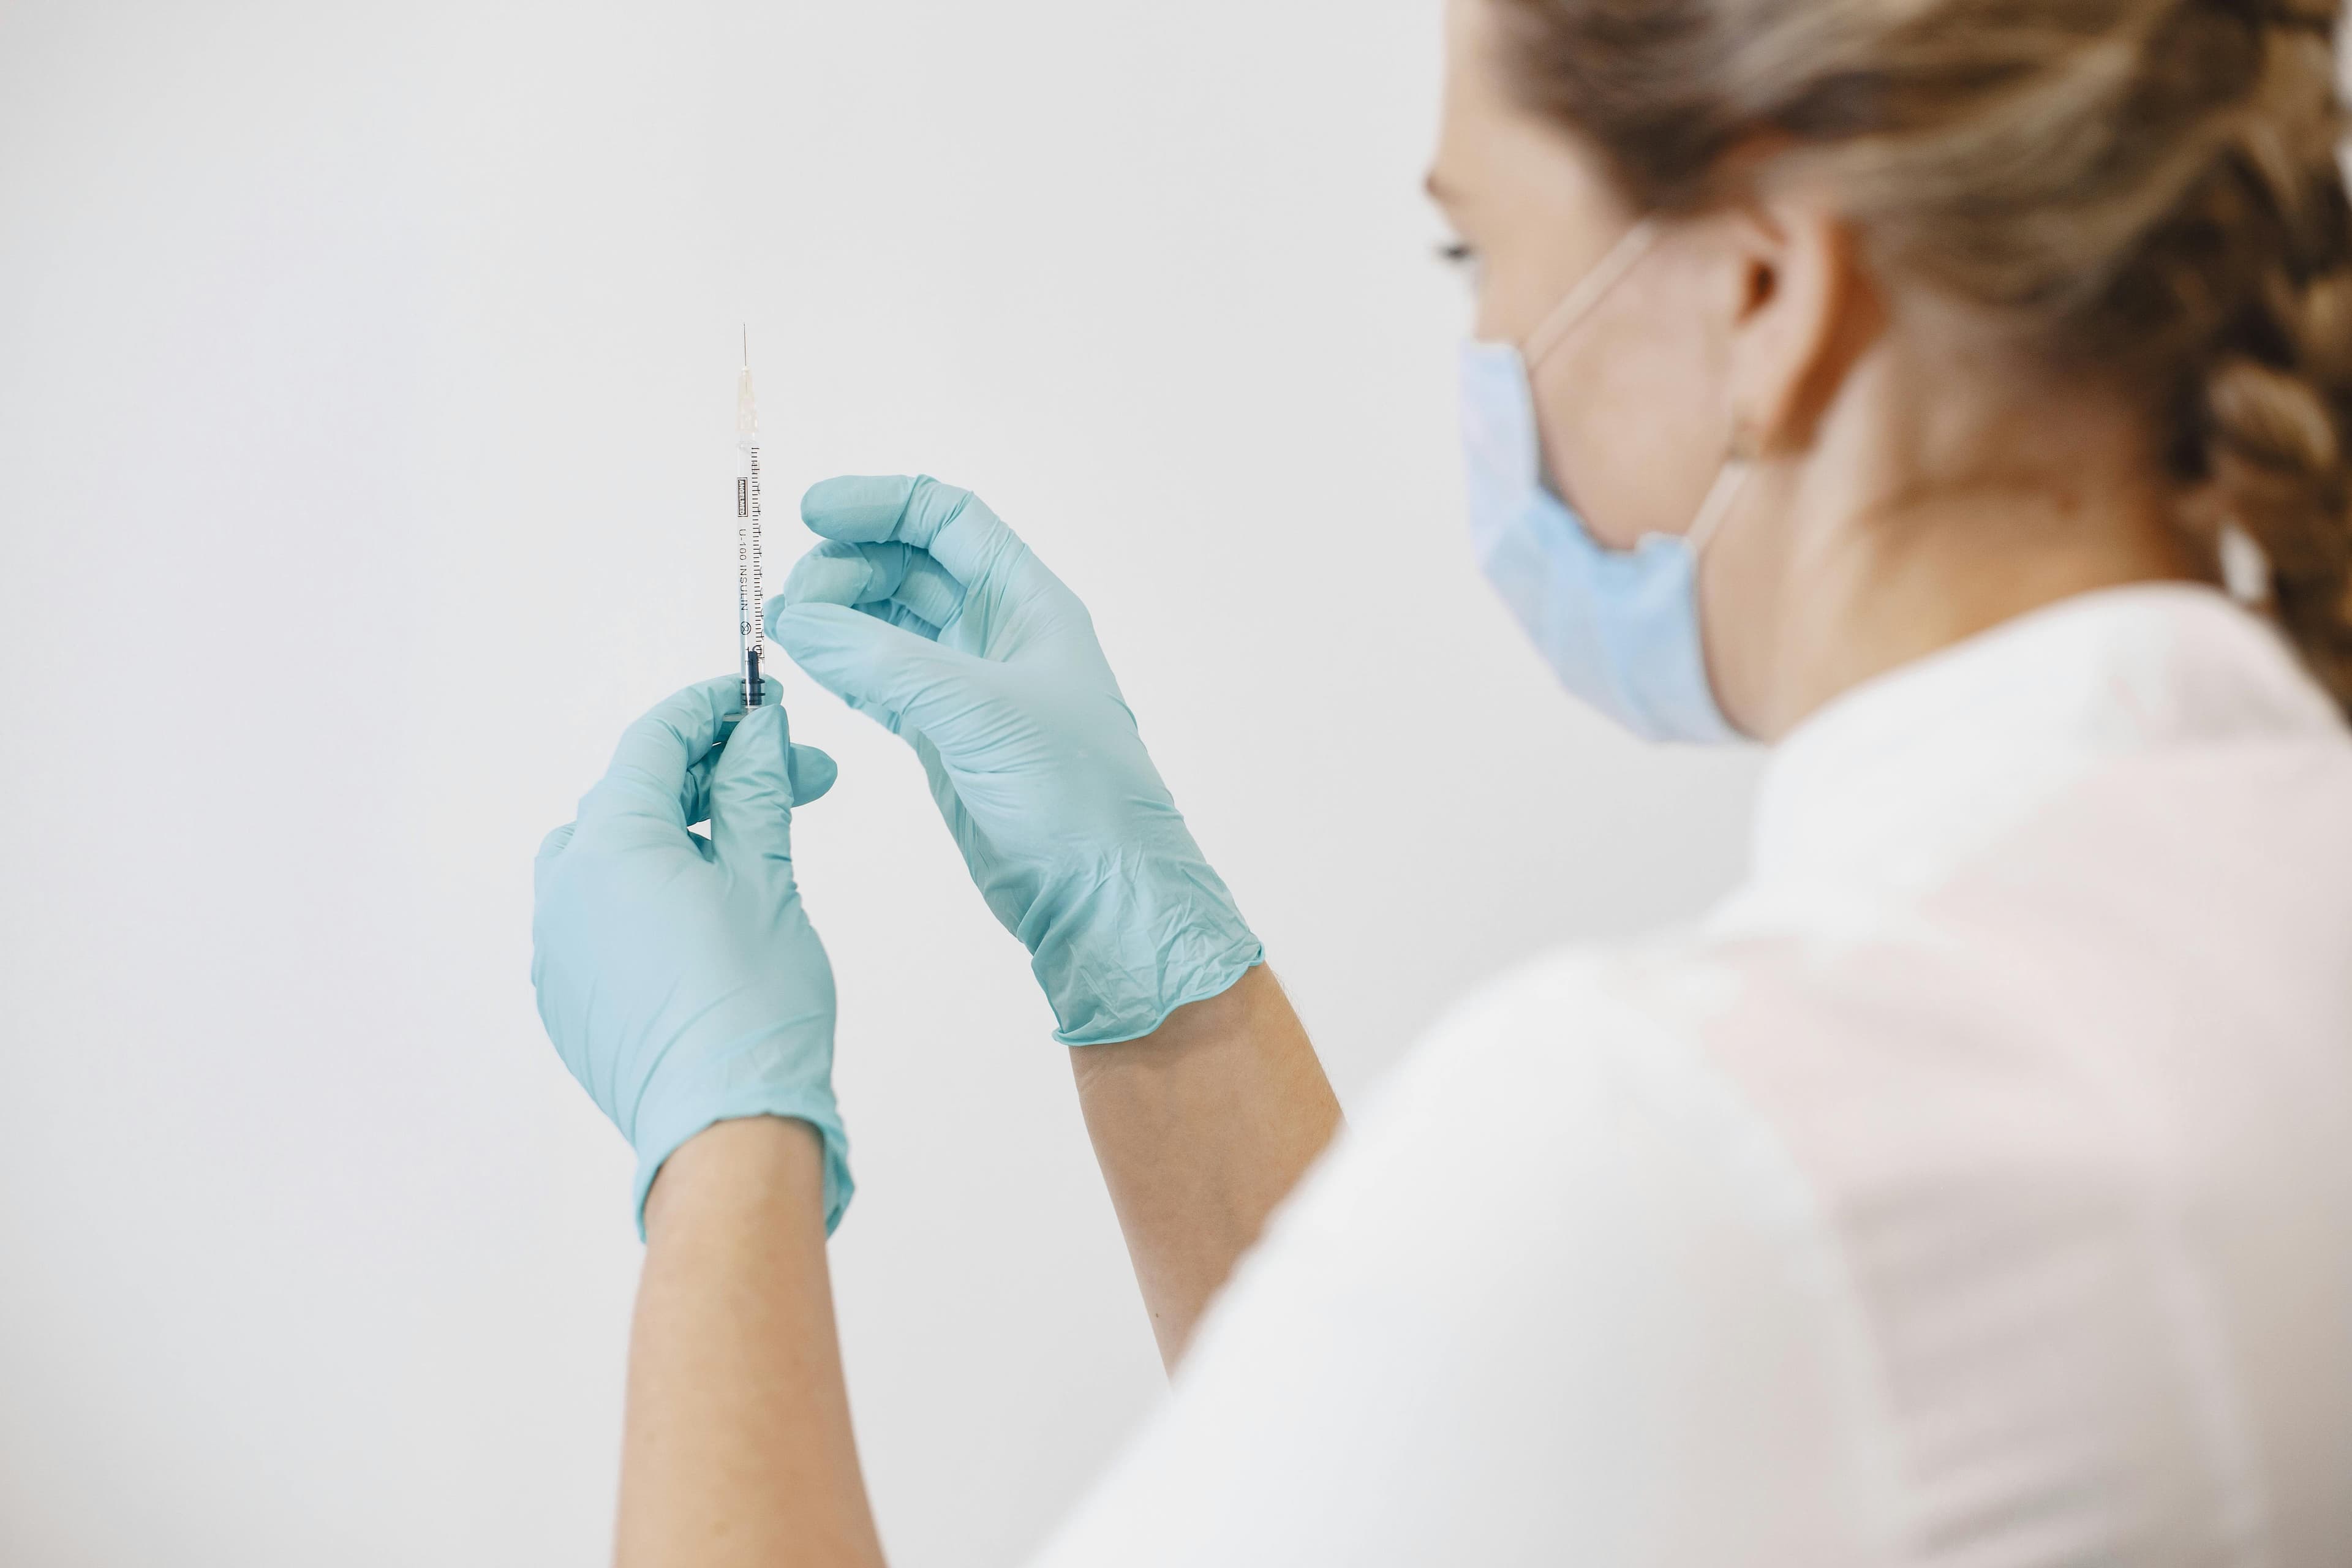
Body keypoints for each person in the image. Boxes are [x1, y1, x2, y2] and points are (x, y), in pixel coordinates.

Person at [529, 0, 2352, 1560]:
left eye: (1474, 254)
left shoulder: (1710, 1155)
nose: (1483, 357)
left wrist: (722, 1146)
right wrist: (1146, 960)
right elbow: (1458, 1465)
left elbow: (1575, 1314)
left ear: (1767, 291)